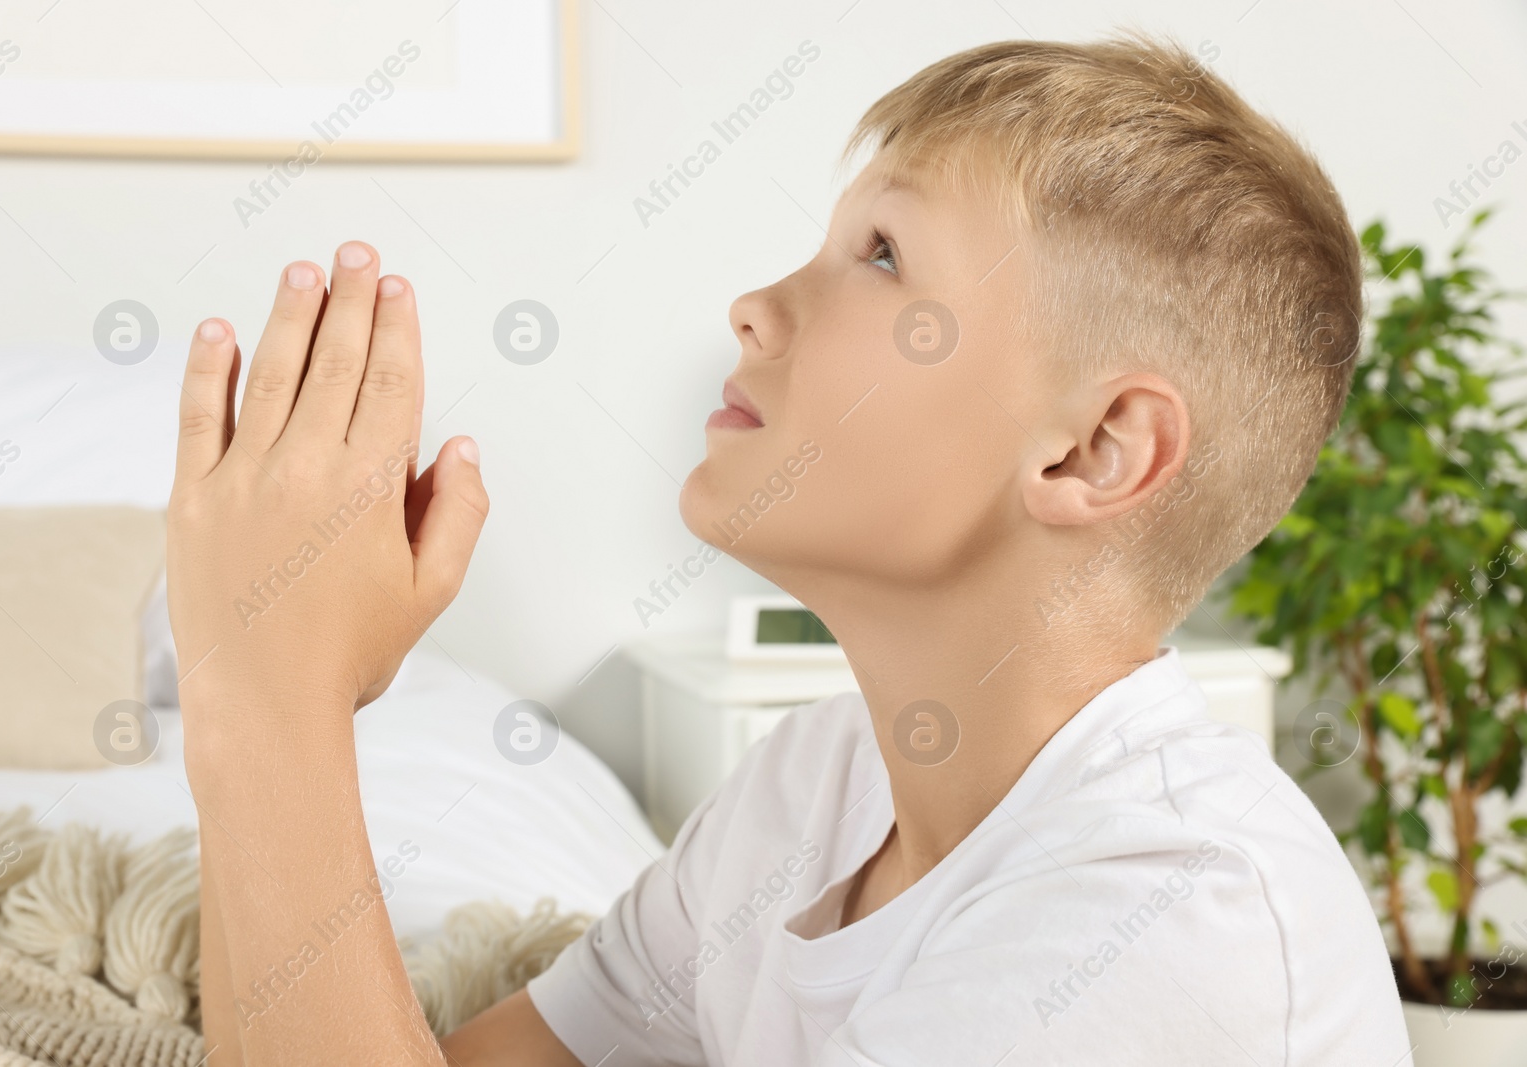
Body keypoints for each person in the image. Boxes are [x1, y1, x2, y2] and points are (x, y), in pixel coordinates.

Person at [171, 31, 1410, 1066]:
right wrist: (252, 671)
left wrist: (271, 699)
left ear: (1092, 451)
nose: (754, 307)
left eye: (880, 255)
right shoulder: (812, 787)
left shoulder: (1167, 913)